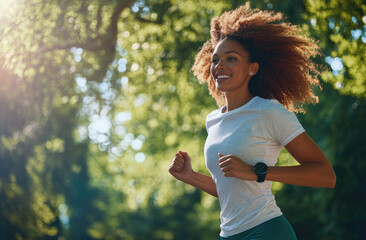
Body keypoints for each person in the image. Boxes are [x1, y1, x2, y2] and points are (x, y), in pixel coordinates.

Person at [169, 3, 336, 240]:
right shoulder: (213, 120)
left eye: (232, 58)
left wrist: (258, 172)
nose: (220, 66)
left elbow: (326, 176)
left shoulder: (268, 111)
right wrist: (191, 176)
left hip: (266, 230)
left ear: (252, 68)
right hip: (228, 234)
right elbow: (233, 192)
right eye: (215, 60)